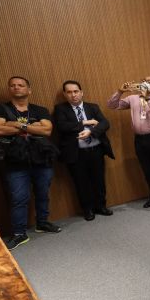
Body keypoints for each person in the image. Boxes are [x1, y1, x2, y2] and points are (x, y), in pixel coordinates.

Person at [0, 76, 61, 249]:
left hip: (41, 158)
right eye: (12, 85)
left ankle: (42, 223)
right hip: (15, 160)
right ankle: (19, 234)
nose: (16, 88)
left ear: (29, 90)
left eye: (21, 85)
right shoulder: (0, 108)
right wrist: (32, 126)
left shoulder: (39, 109)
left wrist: (18, 126)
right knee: (19, 198)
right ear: (9, 89)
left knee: (43, 193)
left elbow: (47, 130)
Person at [54, 80, 115, 221]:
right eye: (69, 92)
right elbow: (63, 126)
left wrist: (91, 132)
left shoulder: (92, 107)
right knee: (81, 182)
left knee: (99, 180)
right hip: (76, 153)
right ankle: (87, 209)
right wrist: (85, 123)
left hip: (96, 150)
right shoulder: (60, 109)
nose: (73, 95)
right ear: (64, 94)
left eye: (76, 91)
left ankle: (101, 206)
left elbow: (105, 123)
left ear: (81, 92)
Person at [108, 76, 150, 208]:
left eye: (149, 82)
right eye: (144, 80)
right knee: (147, 169)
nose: (145, 83)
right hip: (139, 139)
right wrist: (120, 91)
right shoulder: (133, 98)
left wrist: (148, 98)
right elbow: (112, 105)